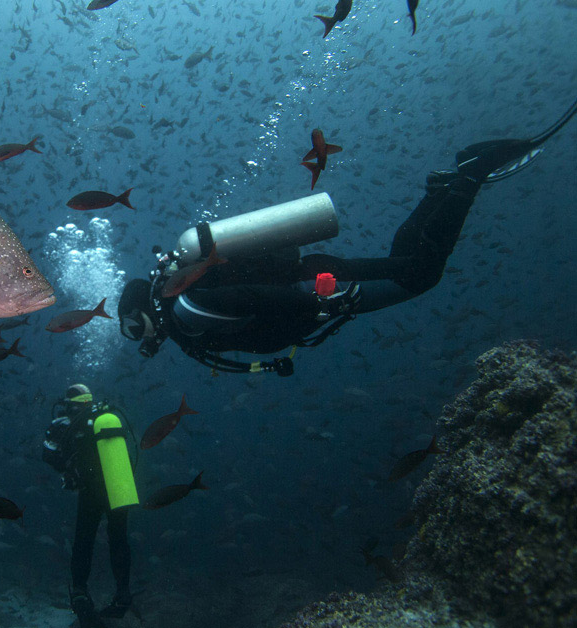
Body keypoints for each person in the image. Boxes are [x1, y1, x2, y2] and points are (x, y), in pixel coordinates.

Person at [118, 100, 577, 374]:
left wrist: (321, 304)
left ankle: (467, 179)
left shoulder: (187, 309)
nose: (143, 337)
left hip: (319, 287)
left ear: (143, 313)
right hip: (315, 280)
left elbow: (252, 297)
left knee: (418, 275)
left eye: (133, 327)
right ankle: (443, 188)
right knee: (404, 264)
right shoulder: (185, 309)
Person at [43, 384, 140, 628]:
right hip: (120, 485)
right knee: (118, 539)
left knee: (83, 541)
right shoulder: (105, 417)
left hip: (92, 490)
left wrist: (69, 471)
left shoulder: (67, 423)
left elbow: (50, 455)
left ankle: (79, 591)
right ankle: (123, 593)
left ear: (69, 403)